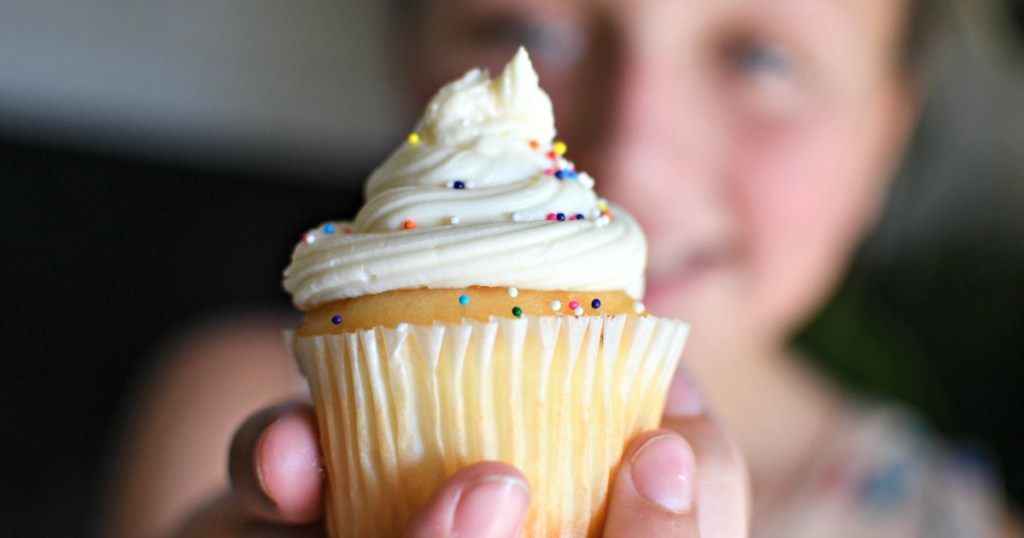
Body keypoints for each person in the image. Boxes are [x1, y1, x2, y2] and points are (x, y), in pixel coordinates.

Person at [103, 0, 1022, 536]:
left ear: (886, 135)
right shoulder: (239, 419)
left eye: (762, 58)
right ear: (409, 62)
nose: (633, 154)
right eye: (529, 30)